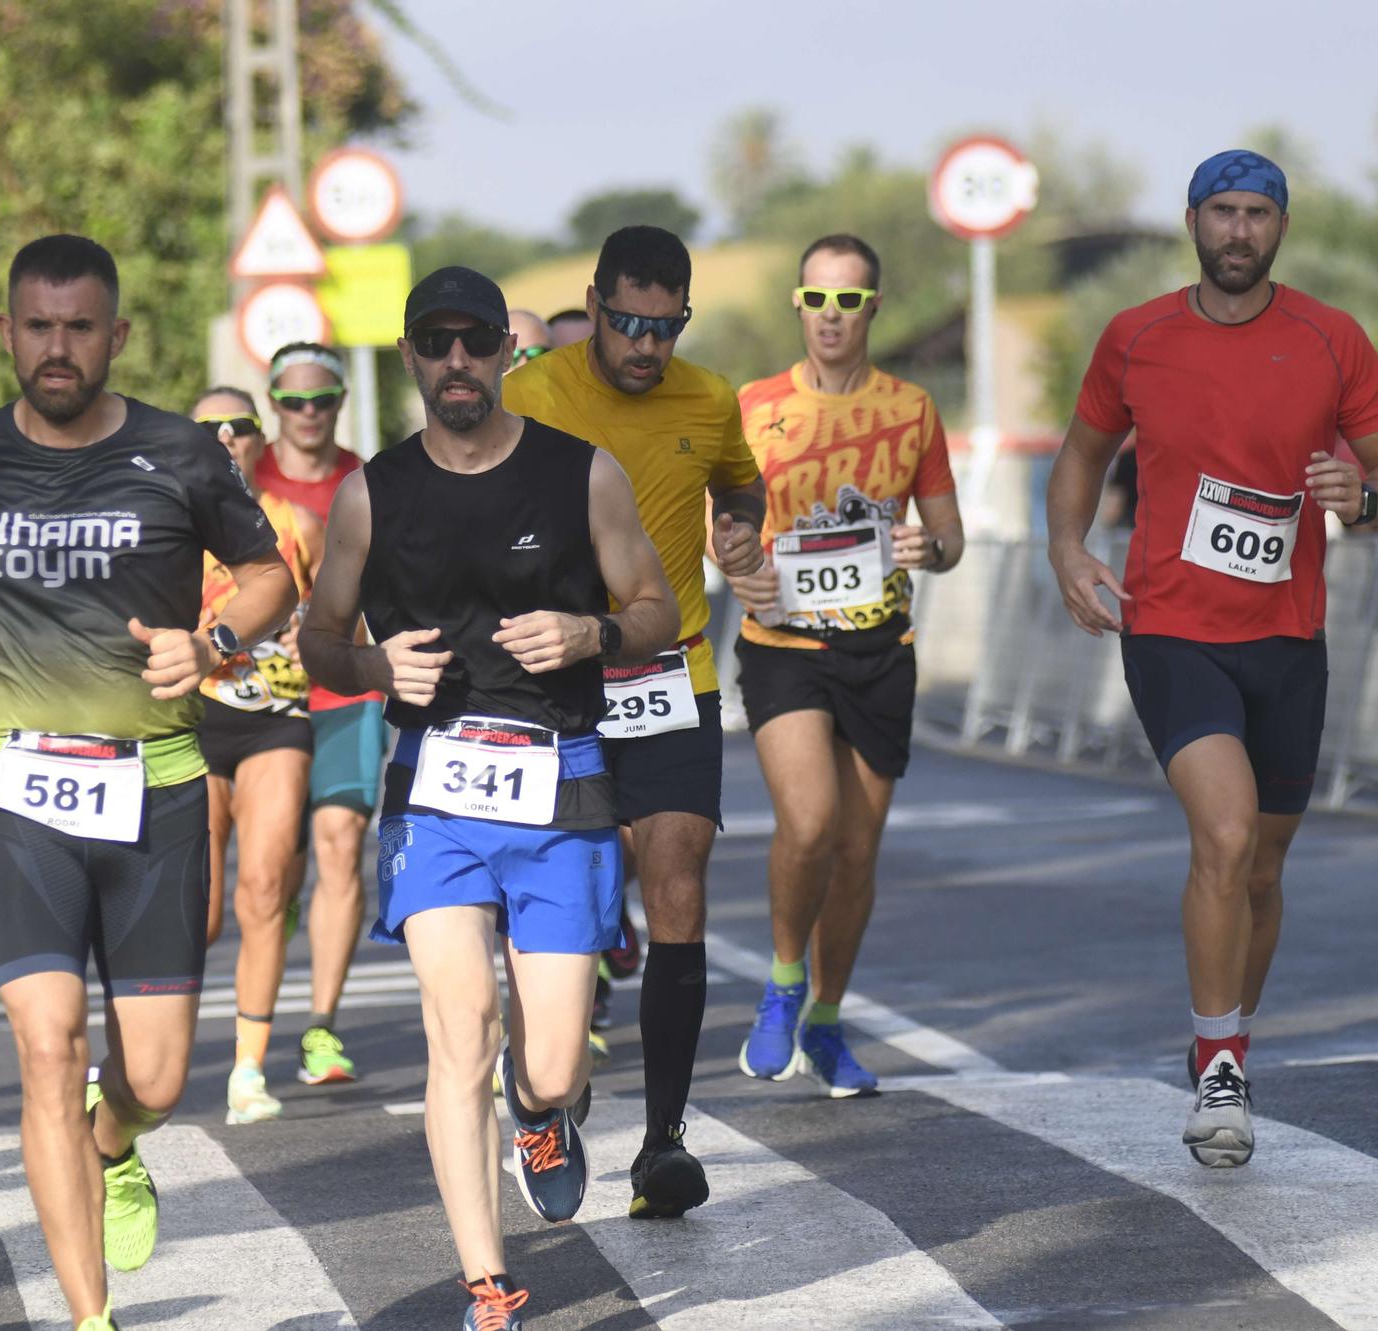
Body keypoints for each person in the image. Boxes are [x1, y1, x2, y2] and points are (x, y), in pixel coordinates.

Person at [0, 235, 294, 1331]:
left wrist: (208, 642)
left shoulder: (180, 453)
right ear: (7, 331)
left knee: (153, 1077)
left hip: (156, 787)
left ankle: (114, 1143)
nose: (56, 347)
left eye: (78, 327)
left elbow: (270, 579)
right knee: (47, 1043)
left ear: (114, 335)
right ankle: (88, 1314)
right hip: (11, 788)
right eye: (37, 325)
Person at [302, 266, 678, 1330]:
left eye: (476, 342)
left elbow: (654, 607)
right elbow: (317, 637)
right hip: (435, 792)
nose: (456, 361)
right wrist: (376, 669)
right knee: (457, 1026)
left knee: (549, 1059)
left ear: (506, 352)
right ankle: (486, 1280)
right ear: (411, 355)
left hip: (559, 782)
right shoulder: (371, 491)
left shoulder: (580, 475)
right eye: (436, 341)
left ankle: (541, 1112)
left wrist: (588, 633)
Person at [1046, 151, 1378, 1168]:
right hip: (1170, 627)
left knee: (1260, 862)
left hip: (1287, 638)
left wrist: (1363, 497)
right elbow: (1081, 449)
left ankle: (1224, 1030)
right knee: (1218, 835)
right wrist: (1065, 546)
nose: (1237, 230)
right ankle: (1220, 1065)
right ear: (1190, 221)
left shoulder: (1328, 338)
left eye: (1256, 213)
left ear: (1279, 228)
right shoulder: (1135, 337)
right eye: (1221, 210)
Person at [501, 225, 766, 1218]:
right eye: (625, 323)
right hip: (554, 679)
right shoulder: (532, 395)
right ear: (593, 301)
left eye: (663, 327)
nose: (644, 346)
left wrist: (739, 522)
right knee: (553, 902)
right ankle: (540, 1092)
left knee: (677, 888)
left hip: (670, 673)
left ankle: (660, 1142)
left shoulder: (708, 397)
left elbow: (739, 479)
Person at [724, 234, 966, 1096]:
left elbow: (950, 538)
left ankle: (826, 1019)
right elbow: (720, 524)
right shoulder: (752, 407)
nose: (832, 317)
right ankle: (784, 981)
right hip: (785, 646)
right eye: (818, 300)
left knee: (859, 852)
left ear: (873, 308)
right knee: (812, 823)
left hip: (879, 648)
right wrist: (740, 564)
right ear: (798, 304)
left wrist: (924, 545)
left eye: (850, 302)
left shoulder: (912, 409)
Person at [191, 387, 323, 1122]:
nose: (222, 436)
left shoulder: (293, 522)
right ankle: (161, 1042)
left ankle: (248, 1070)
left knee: (265, 888)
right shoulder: (166, 518)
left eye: (236, 425)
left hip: (276, 714)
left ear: (257, 437)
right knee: (202, 913)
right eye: (205, 426)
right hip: (193, 718)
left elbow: (341, 600)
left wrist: (320, 632)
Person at [253, 342, 382, 1087]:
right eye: (293, 399)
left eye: (322, 398)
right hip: (261, 697)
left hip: (344, 690)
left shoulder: (365, 480)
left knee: (340, 843)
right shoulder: (245, 475)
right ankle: (264, 991)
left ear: (339, 400)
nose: (308, 413)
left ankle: (321, 1026)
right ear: (272, 401)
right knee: (276, 869)